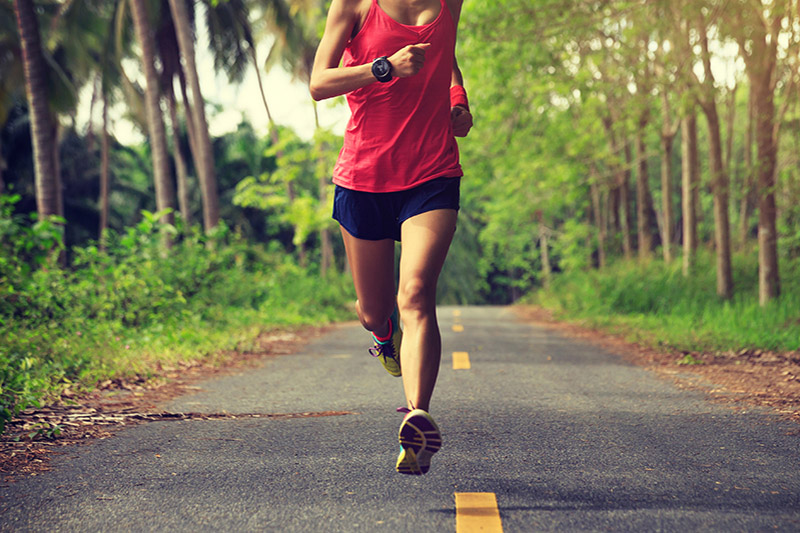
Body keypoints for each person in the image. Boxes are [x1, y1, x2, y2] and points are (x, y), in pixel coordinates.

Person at [310, 0, 472, 475]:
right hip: (364, 177)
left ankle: (416, 419)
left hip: (432, 172)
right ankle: (385, 338)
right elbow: (319, 83)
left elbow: (448, 53)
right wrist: (384, 67)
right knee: (372, 312)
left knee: (416, 293)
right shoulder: (355, 6)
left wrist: (458, 98)